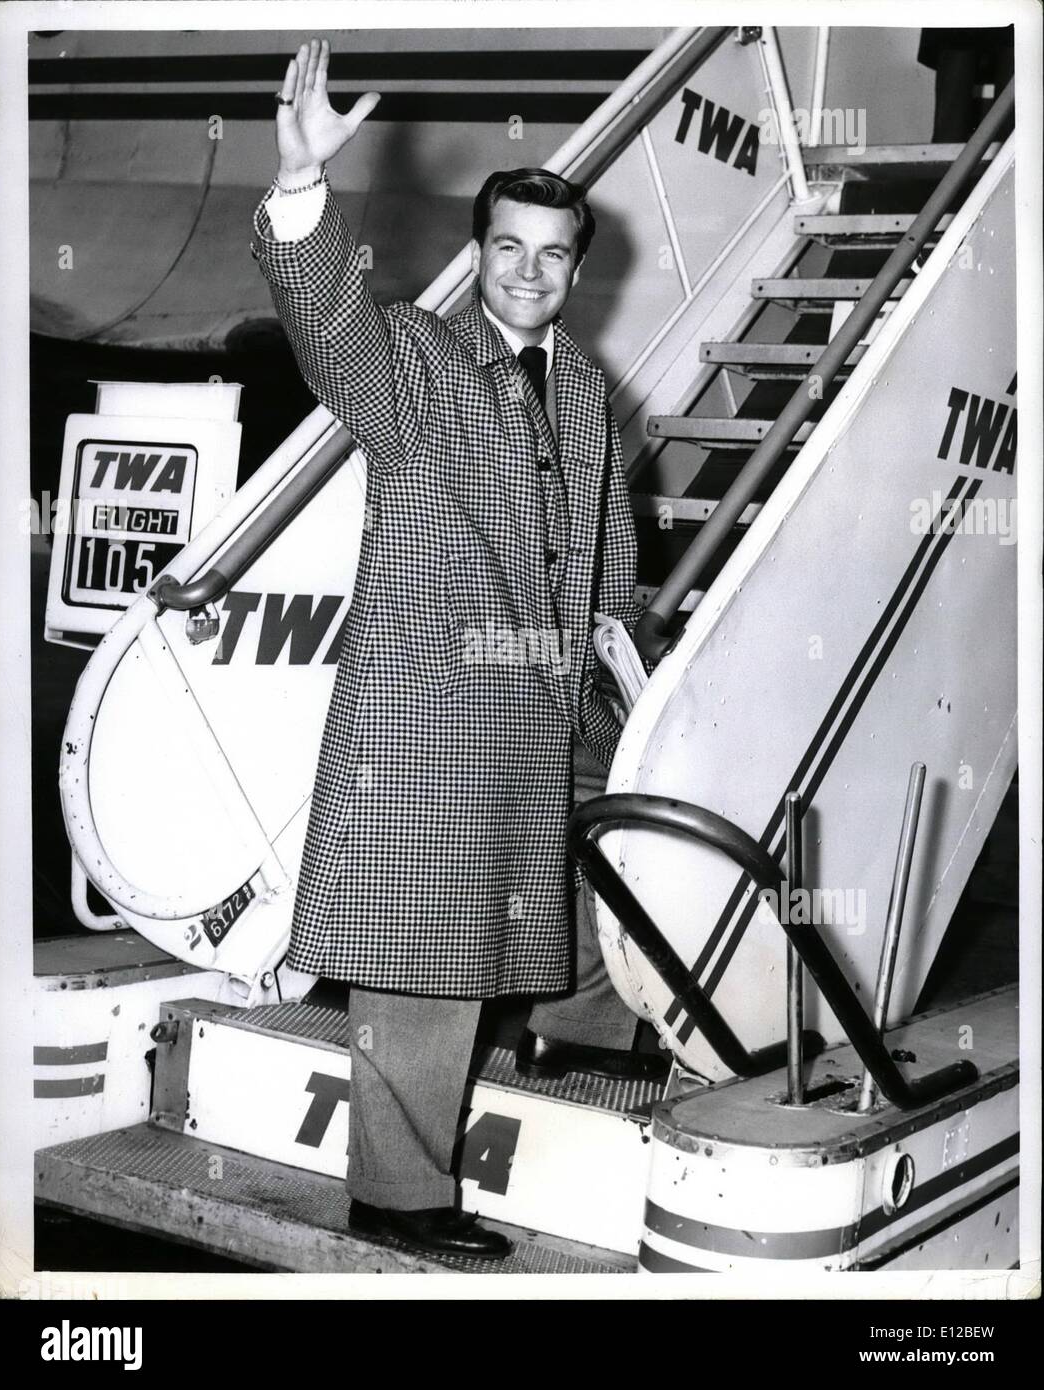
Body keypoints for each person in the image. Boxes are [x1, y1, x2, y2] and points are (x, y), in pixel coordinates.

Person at [250, 38, 663, 1262]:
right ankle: (397, 1191)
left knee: (608, 838)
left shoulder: (582, 388)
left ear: (577, 268)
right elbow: (327, 328)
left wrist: (616, 664)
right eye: (508, 248)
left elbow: (604, 542)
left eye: (553, 254)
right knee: (422, 955)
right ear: (476, 255)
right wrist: (303, 189)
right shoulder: (415, 363)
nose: (529, 272)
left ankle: (582, 1036)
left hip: (551, 699)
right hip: (432, 715)